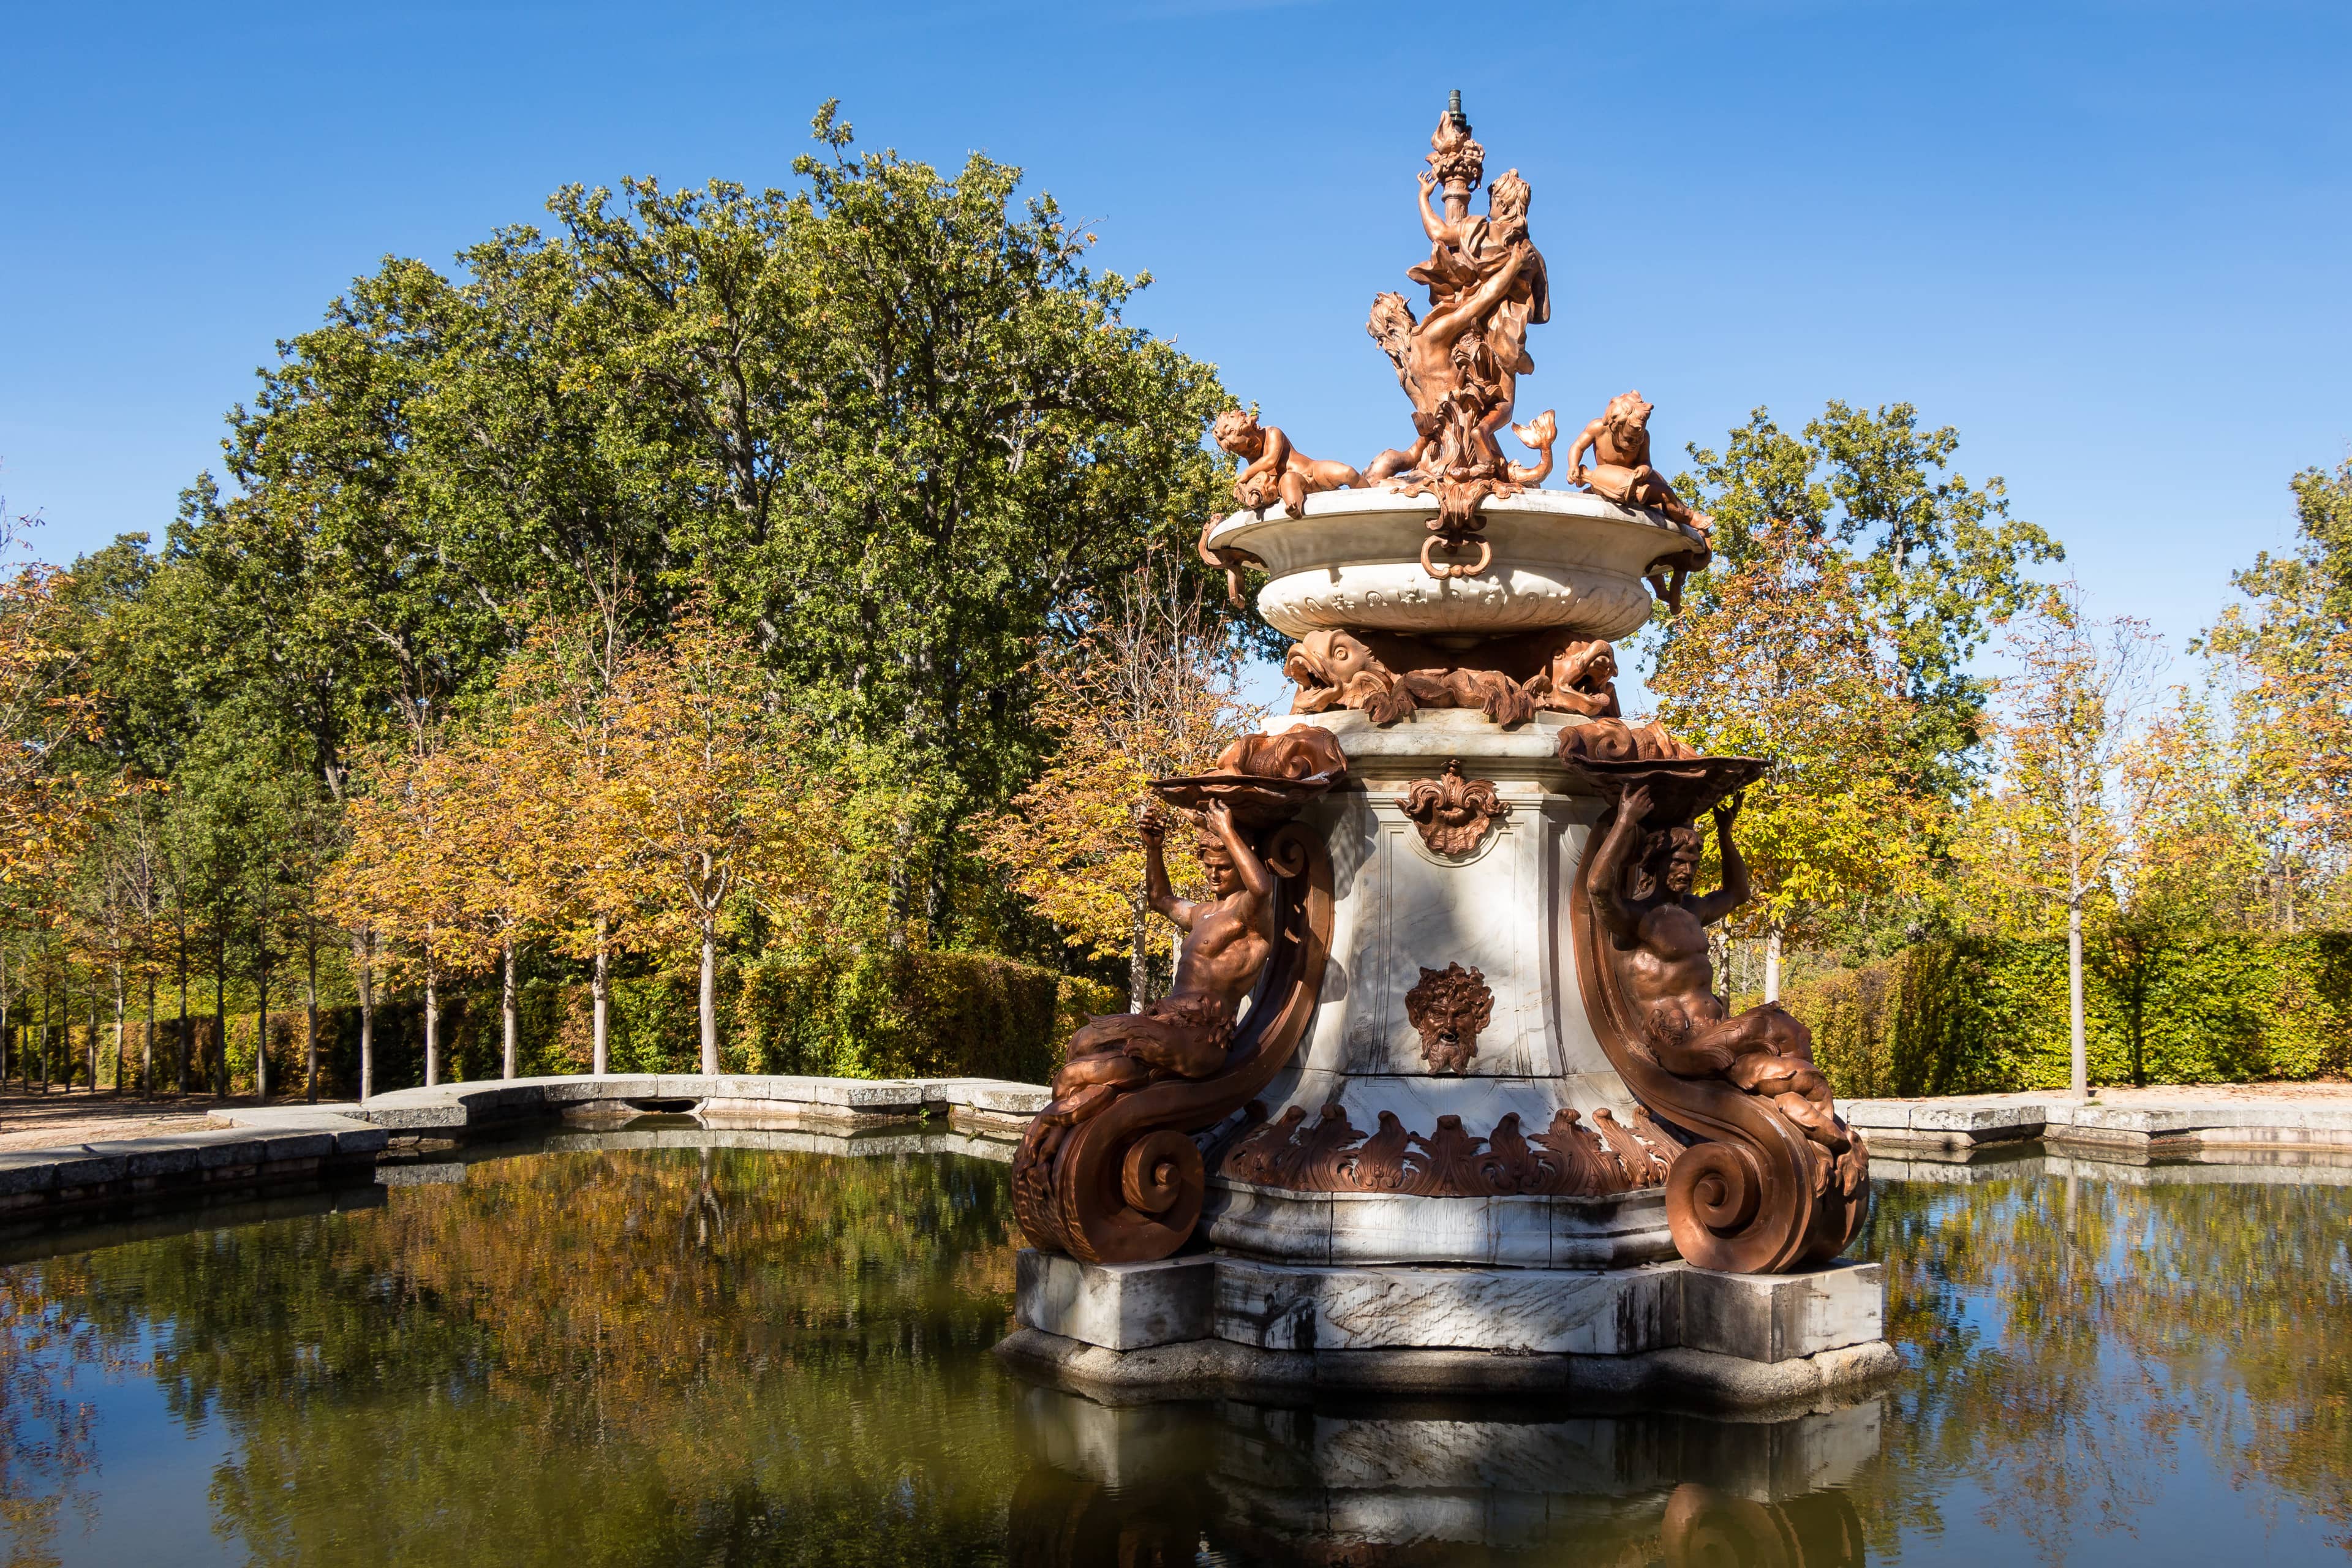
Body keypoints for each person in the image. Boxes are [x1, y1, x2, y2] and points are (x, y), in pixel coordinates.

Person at [1585, 785, 1847, 1152]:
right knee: (1777, 1023)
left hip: (1718, 1034)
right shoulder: (1636, 919)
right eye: (1679, 862)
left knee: (1800, 1068)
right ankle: (1812, 1135)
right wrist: (1626, 819)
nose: (1688, 871)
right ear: (1656, 864)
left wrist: (1726, 835)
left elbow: (1738, 893)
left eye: (1693, 864)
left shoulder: (1693, 911)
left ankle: (1816, 1133)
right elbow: (1598, 889)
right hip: (1679, 1045)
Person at [1050, 799, 1277, 1112]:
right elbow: (1161, 899)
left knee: (1076, 1074)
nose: (1213, 875)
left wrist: (1227, 831)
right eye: (1208, 866)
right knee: (1083, 1043)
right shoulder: (1203, 914)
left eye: (1223, 867)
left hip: (1201, 1036)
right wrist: (1154, 849)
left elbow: (1262, 890)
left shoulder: (1250, 917)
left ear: (1241, 864)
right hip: (1166, 1021)